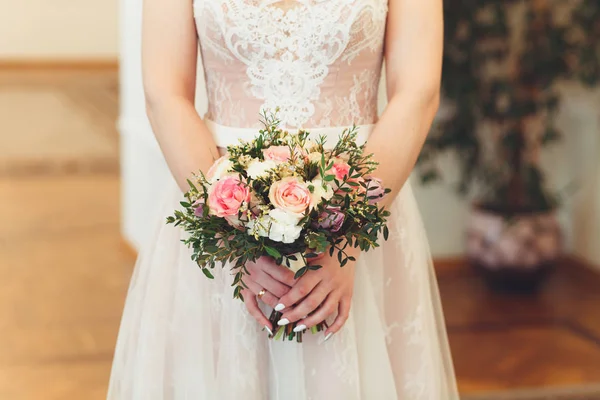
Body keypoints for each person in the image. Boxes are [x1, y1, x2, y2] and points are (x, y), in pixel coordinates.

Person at [108, 0, 459, 398]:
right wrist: (232, 240)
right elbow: (164, 94)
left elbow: (418, 92)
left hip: (364, 202)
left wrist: (347, 235)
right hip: (219, 203)